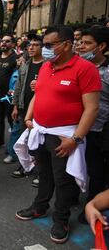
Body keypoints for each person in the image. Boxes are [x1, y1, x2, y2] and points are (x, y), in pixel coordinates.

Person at [15, 26, 101, 244]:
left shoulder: (85, 68)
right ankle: (40, 207)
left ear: (66, 44)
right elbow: (39, 94)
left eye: (48, 45)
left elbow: (92, 108)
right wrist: (29, 117)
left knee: (64, 180)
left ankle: (61, 219)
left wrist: (75, 139)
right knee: (44, 174)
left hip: (64, 136)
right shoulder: (46, 66)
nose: (45, 49)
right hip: (41, 131)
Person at [78, 25, 109, 222]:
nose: (81, 47)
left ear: (102, 46)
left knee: (96, 171)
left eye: (87, 43)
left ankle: (93, 205)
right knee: (76, 166)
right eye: (80, 42)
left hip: (99, 131)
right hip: (74, 128)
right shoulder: (76, 66)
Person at [10, 34, 44, 182]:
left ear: (43, 47)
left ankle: (40, 171)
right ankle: (26, 165)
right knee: (25, 139)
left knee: (39, 141)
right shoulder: (25, 65)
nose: (31, 47)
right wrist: (15, 106)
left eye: (35, 45)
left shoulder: (48, 65)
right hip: (24, 107)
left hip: (42, 108)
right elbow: (18, 87)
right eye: (29, 45)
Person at [0, 34, 17, 149]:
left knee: (11, 120)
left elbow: (17, 77)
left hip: (9, 95)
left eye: (7, 41)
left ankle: (14, 144)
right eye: (2, 41)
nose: (3, 43)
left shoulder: (16, 58)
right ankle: (0, 140)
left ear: (12, 44)